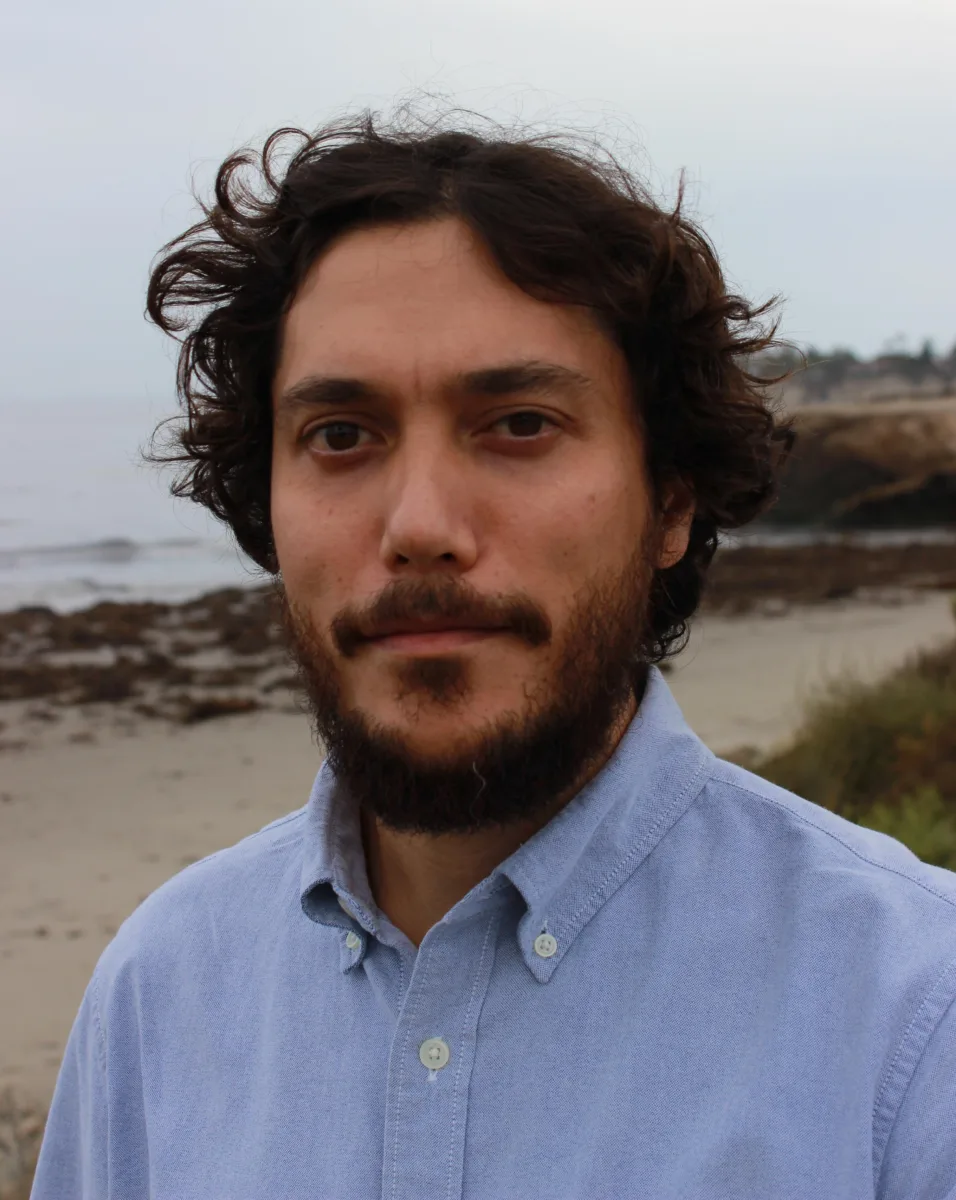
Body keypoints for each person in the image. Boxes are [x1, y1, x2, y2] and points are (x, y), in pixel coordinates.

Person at [32, 113, 956, 1200]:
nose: (419, 523)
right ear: (266, 502)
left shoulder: (911, 1011)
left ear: (667, 501)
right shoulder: (160, 993)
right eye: (340, 435)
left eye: (517, 423)